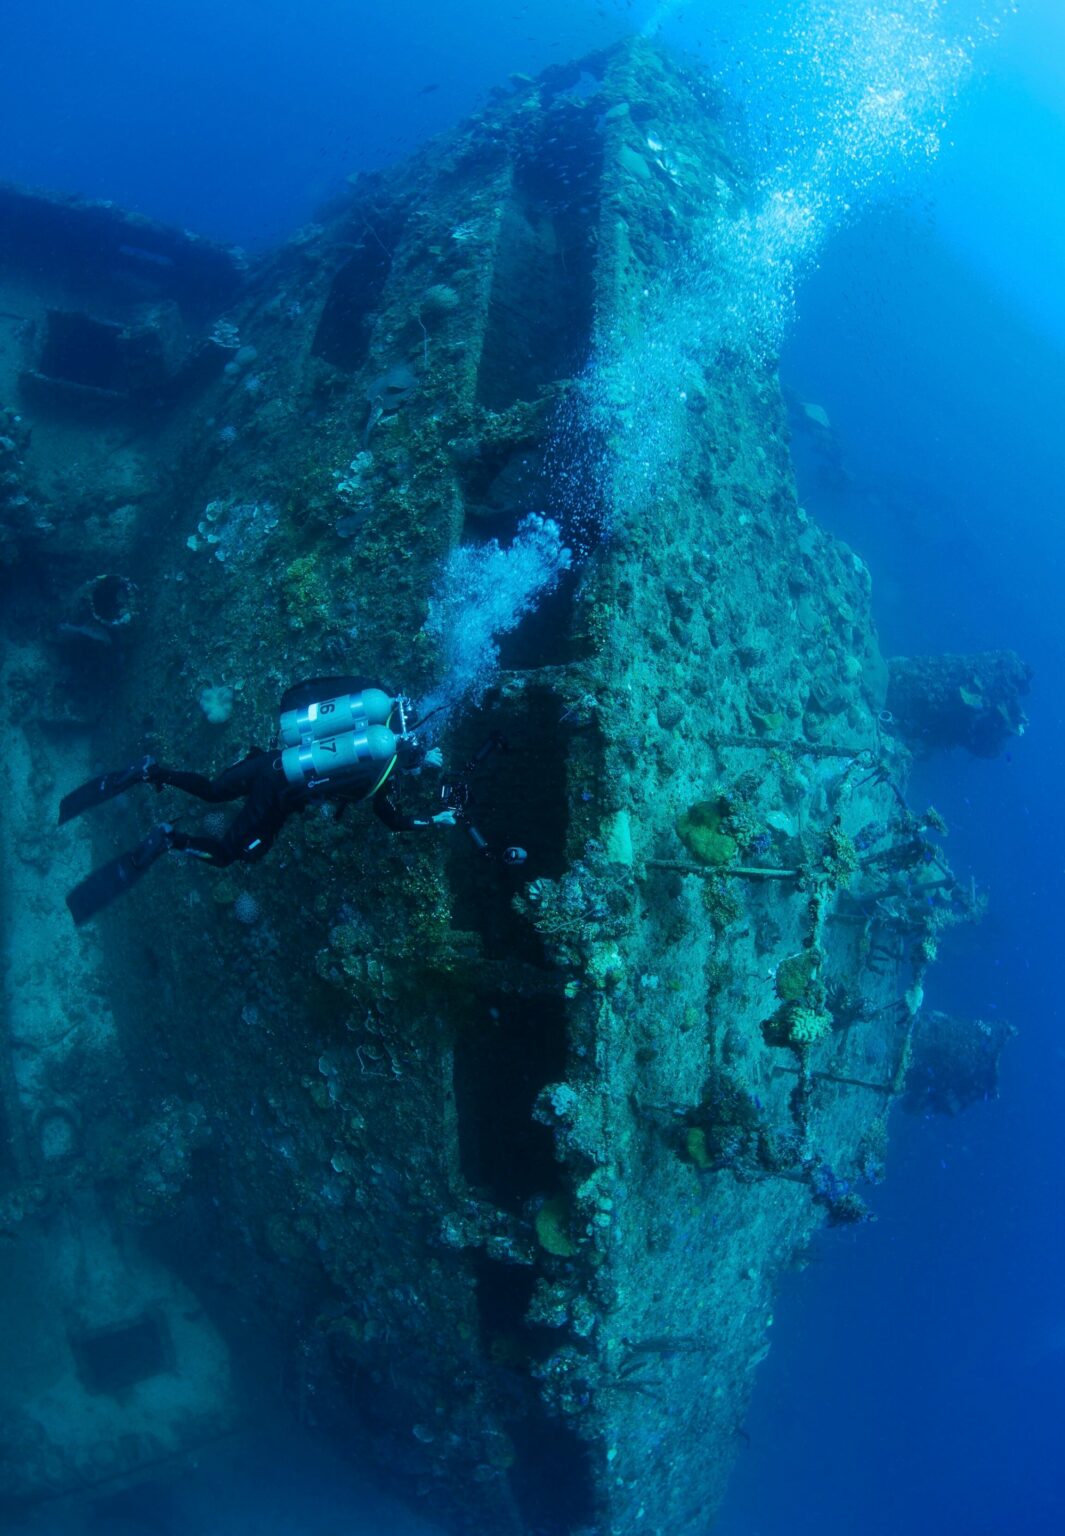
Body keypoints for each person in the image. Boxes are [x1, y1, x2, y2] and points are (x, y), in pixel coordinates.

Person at [60, 676, 454, 926]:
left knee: (214, 789)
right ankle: (170, 841)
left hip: (270, 761)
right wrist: (437, 820)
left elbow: (312, 690)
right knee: (232, 853)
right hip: (279, 792)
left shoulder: (374, 707)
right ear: (408, 758)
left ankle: (152, 771)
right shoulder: (381, 767)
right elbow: (392, 819)